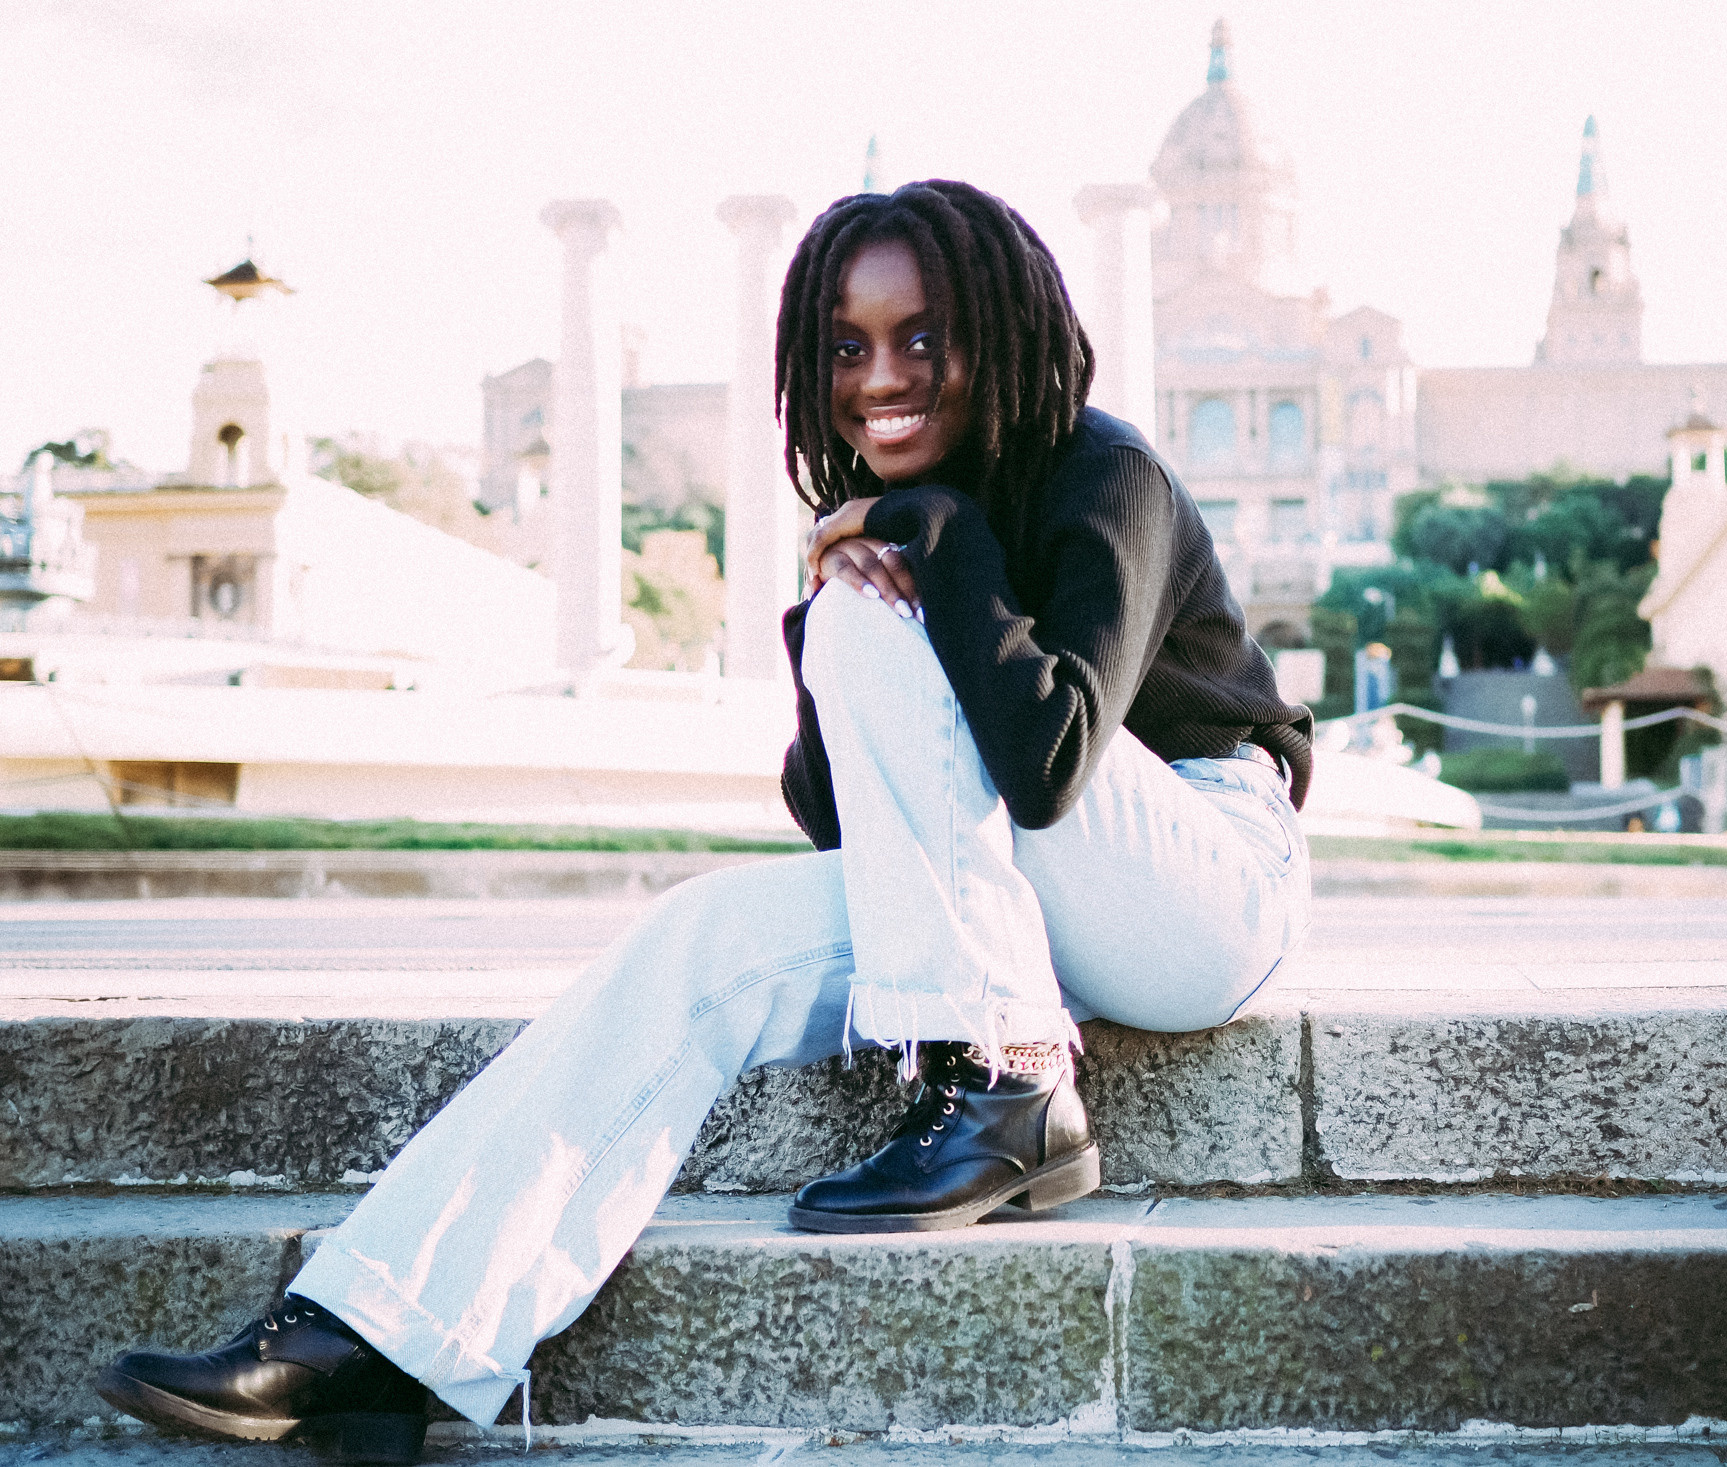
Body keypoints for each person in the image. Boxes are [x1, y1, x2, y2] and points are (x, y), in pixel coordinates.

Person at [93, 179, 1314, 1464]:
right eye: (847, 345)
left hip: (1202, 887)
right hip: (1023, 905)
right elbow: (845, 821)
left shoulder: (1102, 473)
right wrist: (837, 609)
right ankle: (377, 1339)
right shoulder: (894, 536)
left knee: (878, 620)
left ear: (1000, 335)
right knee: (700, 938)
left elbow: (1056, 763)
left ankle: (1005, 1087)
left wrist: (940, 545)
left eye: (920, 338)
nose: (878, 377)